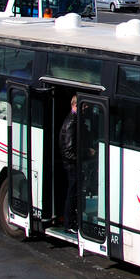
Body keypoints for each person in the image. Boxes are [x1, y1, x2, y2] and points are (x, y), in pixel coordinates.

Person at [60, 95, 79, 231]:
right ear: (75, 105)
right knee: (72, 193)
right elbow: (68, 149)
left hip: (70, 164)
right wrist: (80, 159)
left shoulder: (72, 119)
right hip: (71, 165)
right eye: (83, 106)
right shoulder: (72, 122)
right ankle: (69, 224)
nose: (85, 109)